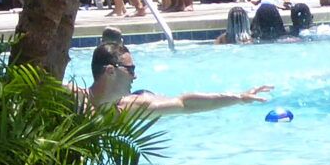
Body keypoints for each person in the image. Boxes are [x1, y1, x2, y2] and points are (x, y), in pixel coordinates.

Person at [85, 42, 271, 116]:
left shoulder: (128, 110)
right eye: (131, 69)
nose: (135, 75)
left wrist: (239, 98)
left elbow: (184, 103)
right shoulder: (73, 100)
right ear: (110, 71)